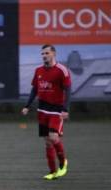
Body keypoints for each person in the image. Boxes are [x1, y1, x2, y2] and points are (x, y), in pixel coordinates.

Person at [22, 44, 71, 180]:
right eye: (42, 54)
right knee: (47, 142)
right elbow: (34, 89)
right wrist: (27, 105)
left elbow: (68, 90)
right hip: (42, 109)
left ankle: (63, 162)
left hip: (56, 109)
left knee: (53, 137)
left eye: (47, 53)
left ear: (54, 54)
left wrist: (65, 108)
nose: (44, 56)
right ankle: (52, 172)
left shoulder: (62, 70)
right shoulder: (38, 70)